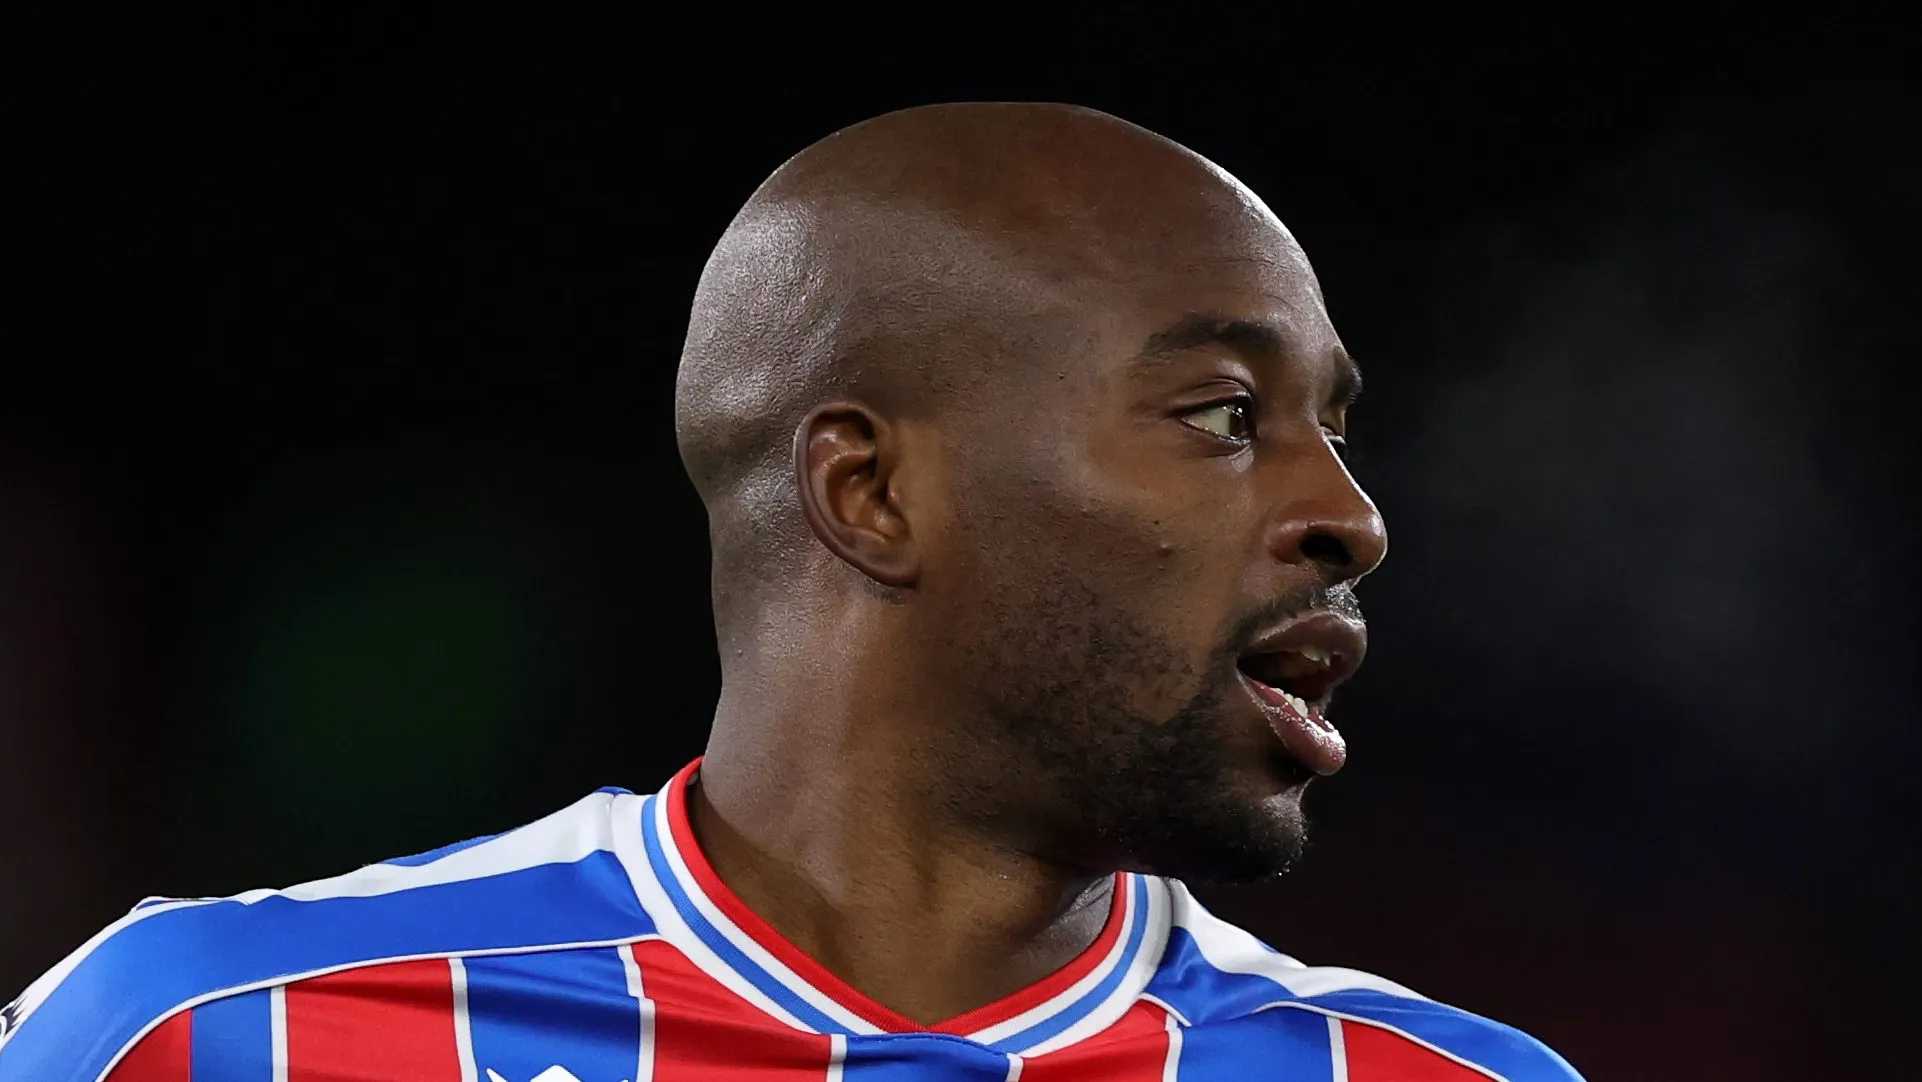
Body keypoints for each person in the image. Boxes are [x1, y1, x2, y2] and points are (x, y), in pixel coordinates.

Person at [0, 102, 1584, 1082]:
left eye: (1334, 430)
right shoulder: (207, 1034)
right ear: (870, 491)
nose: (1347, 518)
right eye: (1224, 416)